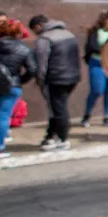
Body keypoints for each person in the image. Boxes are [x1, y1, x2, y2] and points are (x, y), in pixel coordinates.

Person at [28, 15, 80, 151]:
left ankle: (63, 139)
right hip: (72, 77)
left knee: (58, 109)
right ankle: (51, 136)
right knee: (57, 107)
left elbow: (41, 63)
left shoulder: (45, 38)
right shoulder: (68, 34)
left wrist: (40, 80)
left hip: (55, 78)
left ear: (38, 26)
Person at [0, 19, 37, 160]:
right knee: (3, 116)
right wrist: (20, 80)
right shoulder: (23, 49)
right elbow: (32, 69)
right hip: (11, 86)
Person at [81, 10, 108, 128]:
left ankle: (107, 117)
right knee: (97, 90)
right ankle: (87, 115)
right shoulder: (96, 31)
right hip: (97, 63)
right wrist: (107, 50)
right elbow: (93, 46)